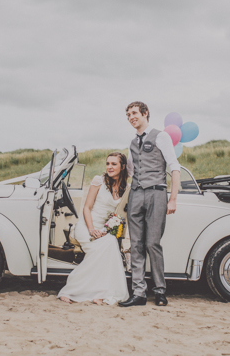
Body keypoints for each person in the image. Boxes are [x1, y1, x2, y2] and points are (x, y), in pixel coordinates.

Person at [119, 101, 180, 307]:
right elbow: (130, 171)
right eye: (128, 115)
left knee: (153, 244)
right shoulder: (132, 142)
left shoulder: (160, 136)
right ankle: (139, 293)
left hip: (156, 193)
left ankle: (160, 291)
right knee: (136, 245)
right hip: (136, 194)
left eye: (134, 113)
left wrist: (173, 198)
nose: (131, 117)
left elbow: (174, 167)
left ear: (145, 114)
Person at [58, 152, 130, 305]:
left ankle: (102, 293)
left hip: (103, 229)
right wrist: (91, 229)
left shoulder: (126, 188)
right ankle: (71, 290)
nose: (109, 167)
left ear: (122, 167)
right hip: (87, 226)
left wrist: (107, 229)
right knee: (100, 249)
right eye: (107, 163)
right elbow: (86, 208)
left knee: (111, 242)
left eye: (114, 164)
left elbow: (120, 214)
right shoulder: (99, 181)